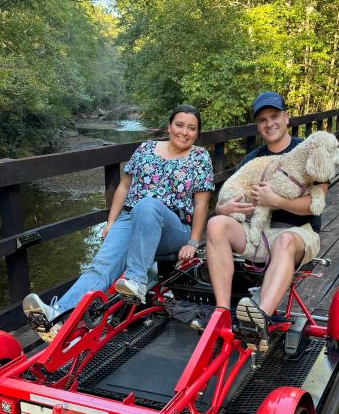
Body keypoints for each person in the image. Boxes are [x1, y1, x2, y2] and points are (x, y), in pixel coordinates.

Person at [23, 105, 214, 340]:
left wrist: (193, 242)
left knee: (148, 205)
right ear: (169, 126)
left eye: (191, 128)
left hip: (173, 227)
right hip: (131, 218)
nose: (184, 132)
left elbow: (202, 204)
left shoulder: (199, 158)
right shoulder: (145, 148)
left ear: (197, 133)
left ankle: (136, 280)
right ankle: (59, 317)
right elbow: (123, 187)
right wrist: (110, 222)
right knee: (101, 265)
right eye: (179, 125)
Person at [206, 91, 328, 349]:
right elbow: (226, 202)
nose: (269, 123)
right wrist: (224, 209)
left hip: (299, 233)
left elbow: (314, 206)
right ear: (258, 126)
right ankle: (222, 314)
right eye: (263, 120)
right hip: (258, 232)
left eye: (274, 116)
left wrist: (276, 201)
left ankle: (258, 322)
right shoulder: (253, 160)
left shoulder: (307, 150)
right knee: (215, 224)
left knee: (284, 239)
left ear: (286, 117)